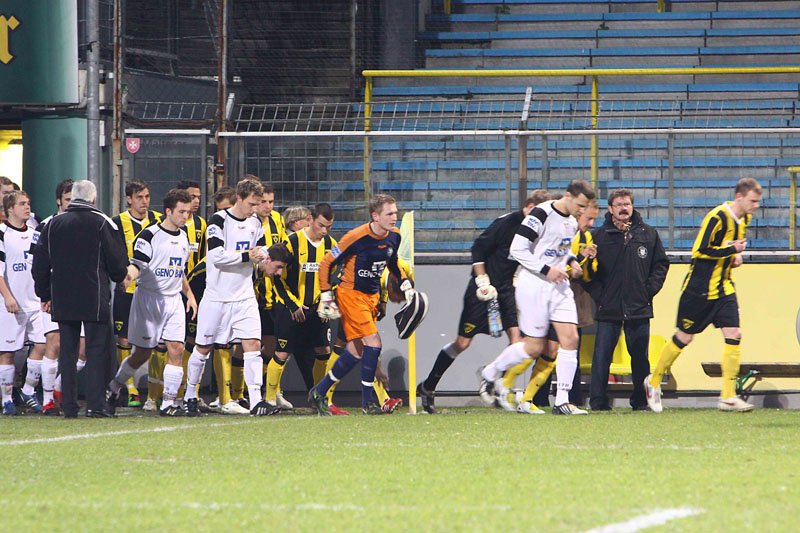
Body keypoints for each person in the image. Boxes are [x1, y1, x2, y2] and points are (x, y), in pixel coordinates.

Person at [416, 190, 551, 414]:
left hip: (507, 290)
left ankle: (495, 383)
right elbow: (478, 248)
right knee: (462, 343)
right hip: (483, 290)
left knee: (518, 341)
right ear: (529, 206)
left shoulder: (538, 229)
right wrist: (482, 279)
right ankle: (428, 387)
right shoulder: (506, 223)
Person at [645, 177, 762, 413]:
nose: (756, 206)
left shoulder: (745, 218)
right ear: (739, 197)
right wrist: (732, 250)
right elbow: (700, 251)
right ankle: (654, 381)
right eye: (752, 201)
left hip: (724, 288)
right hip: (698, 290)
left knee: (734, 334)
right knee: (684, 337)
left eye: (758, 201)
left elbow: (728, 249)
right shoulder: (717, 217)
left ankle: (728, 396)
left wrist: (734, 258)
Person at [479, 179, 595, 415]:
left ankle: (562, 401)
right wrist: (546, 269)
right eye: (580, 205)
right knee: (533, 347)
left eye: (585, 207)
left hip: (559, 286)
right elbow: (517, 249)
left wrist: (572, 261)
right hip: (534, 284)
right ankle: (490, 372)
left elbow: (560, 250)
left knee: (571, 338)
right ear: (568, 196)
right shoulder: (541, 214)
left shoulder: (572, 222)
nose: (582, 211)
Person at [183, 178, 289, 416]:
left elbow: (261, 249)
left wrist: (262, 256)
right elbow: (216, 256)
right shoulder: (218, 220)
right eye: (251, 203)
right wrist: (246, 256)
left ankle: (256, 401)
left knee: (253, 345)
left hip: (244, 296)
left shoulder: (255, 222)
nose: (255, 209)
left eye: (257, 204)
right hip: (217, 297)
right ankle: (189, 396)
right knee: (203, 347)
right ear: (239, 198)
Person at [33, 180, 133, 418]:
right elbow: (117, 261)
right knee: (96, 351)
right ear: (93, 198)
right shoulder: (103, 222)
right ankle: (95, 405)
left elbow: (40, 265)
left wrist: (45, 294)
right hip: (94, 296)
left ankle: (68, 406)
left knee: (67, 352)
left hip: (63, 297)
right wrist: (120, 278)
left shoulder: (53, 224)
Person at [308, 194, 414, 415]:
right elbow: (327, 263)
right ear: (375, 216)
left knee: (356, 351)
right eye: (389, 213)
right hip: (351, 295)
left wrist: (404, 282)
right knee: (374, 343)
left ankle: (319, 391)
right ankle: (368, 402)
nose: (394, 217)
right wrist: (326, 294)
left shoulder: (394, 235)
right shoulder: (355, 237)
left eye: (395, 213)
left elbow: (392, 261)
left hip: (371, 296)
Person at [106, 189, 198, 416]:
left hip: (174, 301)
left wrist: (190, 295)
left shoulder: (184, 236)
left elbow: (179, 270)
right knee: (142, 354)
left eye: (188, 212)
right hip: (148, 300)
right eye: (181, 211)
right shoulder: (149, 235)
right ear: (168, 211)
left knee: (176, 348)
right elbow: (137, 265)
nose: (185, 216)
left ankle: (168, 403)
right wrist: (127, 278)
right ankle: (114, 388)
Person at [584, 189, 669, 411]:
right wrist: (600, 295)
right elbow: (587, 274)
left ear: (632, 206)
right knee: (602, 357)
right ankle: (598, 403)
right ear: (610, 209)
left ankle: (640, 401)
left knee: (640, 357)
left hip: (639, 306)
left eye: (627, 204)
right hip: (608, 306)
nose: (624, 208)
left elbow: (660, 265)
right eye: (619, 205)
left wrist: (648, 291)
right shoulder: (598, 236)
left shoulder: (648, 234)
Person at [517, 200, 600, 413]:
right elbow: (551, 265)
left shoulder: (583, 235)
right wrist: (576, 261)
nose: (590, 223)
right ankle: (504, 384)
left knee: (557, 349)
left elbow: (577, 270)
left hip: (564, 298)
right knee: (537, 348)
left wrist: (581, 261)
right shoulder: (560, 228)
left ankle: (541, 399)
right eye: (589, 218)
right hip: (544, 295)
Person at [268, 203, 336, 407]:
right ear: (310, 220)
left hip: (317, 309)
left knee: (324, 351)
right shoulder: (292, 242)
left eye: (329, 227)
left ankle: (319, 398)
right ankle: (269, 399)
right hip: (290, 308)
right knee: (281, 353)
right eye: (321, 225)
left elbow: (335, 276)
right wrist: (292, 305)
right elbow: (276, 276)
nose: (324, 231)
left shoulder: (331, 244)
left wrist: (327, 304)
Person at [32, 179, 88, 415]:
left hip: (80, 293)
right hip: (54, 293)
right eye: (67, 200)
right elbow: (37, 263)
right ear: (58, 201)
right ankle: (47, 400)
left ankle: (58, 386)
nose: (70, 204)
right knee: (54, 342)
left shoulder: (85, 224)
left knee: (83, 350)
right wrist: (44, 294)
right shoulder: (45, 226)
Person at [112, 179, 162, 408]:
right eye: (139, 197)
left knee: (158, 340)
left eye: (147, 196)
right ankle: (129, 388)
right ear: (129, 199)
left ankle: (155, 391)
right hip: (127, 289)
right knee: (124, 338)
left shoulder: (158, 221)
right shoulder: (116, 223)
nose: (144, 201)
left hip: (154, 291)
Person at [0, 191, 47, 415]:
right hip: (10, 303)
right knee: (8, 353)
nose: (27, 207)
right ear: (10, 209)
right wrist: (8, 297)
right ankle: (7, 399)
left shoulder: (35, 232)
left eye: (28, 203)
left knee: (43, 345)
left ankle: (28, 390)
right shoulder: (2, 233)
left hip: (35, 302)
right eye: (22, 204)